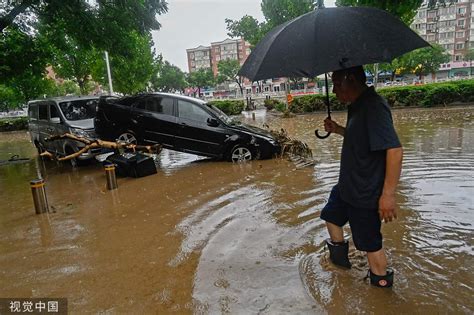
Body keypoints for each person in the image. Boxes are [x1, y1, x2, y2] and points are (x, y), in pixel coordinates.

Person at [320, 66, 403, 288]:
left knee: (369, 244)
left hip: (365, 191)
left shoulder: (374, 106)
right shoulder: (356, 106)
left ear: (352, 80)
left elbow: (394, 150)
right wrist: (338, 130)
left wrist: (388, 195)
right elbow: (363, 137)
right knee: (331, 216)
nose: (335, 91)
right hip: (347, 186)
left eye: (337, 84)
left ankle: (381, 289)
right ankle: (341, 270)